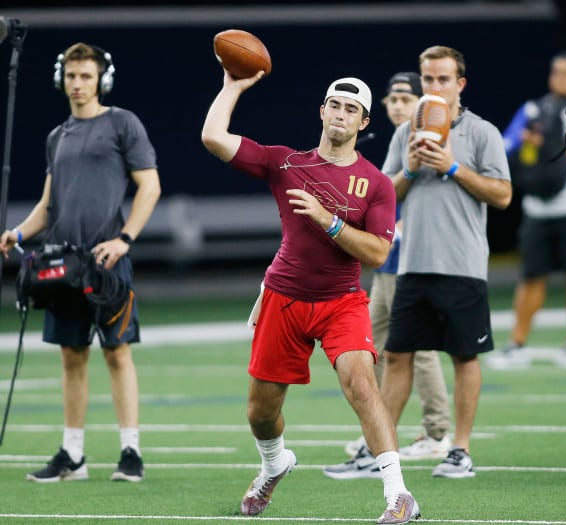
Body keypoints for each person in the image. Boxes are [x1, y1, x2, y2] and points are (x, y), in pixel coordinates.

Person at [201, 71, 420, 523]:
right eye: (334, 105)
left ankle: (399, 494)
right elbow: (213, 138)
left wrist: (329, 220)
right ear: (322, 111)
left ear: (363, 122)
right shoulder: (285, 163)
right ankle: (274, 464)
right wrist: (233, 86)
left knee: (362, 385)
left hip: (342, 301)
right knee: (261, 413)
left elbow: (378, 254)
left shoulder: (375, 183)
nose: (341, 114)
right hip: (284, 297)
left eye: (352, 109)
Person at [0, 43, 161, 482]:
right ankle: (73, 455)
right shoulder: (57, 136)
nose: (77, 84)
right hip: (62, 263)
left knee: (117, 352)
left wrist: (125, 239)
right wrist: (17, 233)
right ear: (61, 79)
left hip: (107, 261)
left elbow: (150, 187)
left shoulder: (123, 123)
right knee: (71, 356)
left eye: (86, 76)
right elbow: (48, 205)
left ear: (101, 80)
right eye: (71, 76)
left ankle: (131, 451)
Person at [380, 45, 512, 479]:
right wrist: (410, 169)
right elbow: (382, 199)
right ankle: (383, 450)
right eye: (428, 79)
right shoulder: (406, 133)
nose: (434, 86)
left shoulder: (482, 132)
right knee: (396, 355)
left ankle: (460, 449)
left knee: (464, 357)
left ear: (460, 83)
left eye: (442, 79)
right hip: (412, 263)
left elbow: (503, 194)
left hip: (462, 264)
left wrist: (453, 167)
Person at [334, 72, 452, 473]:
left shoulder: (431, 140)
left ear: (423, 106)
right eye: (394, 99)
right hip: (388, 261)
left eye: (407, 98)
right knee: (377, 346)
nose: (399, 105)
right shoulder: (396, 141)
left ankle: (436, 432)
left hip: (414, 260)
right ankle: (381, 430)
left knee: (418, 347)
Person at [487, 51, 566, 370]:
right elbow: (507, 146)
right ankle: (517, 344)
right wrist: (528, 145)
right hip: (538, 210)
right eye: (556, 72)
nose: (560, 78)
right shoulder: (533, 109)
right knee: (531, 277)